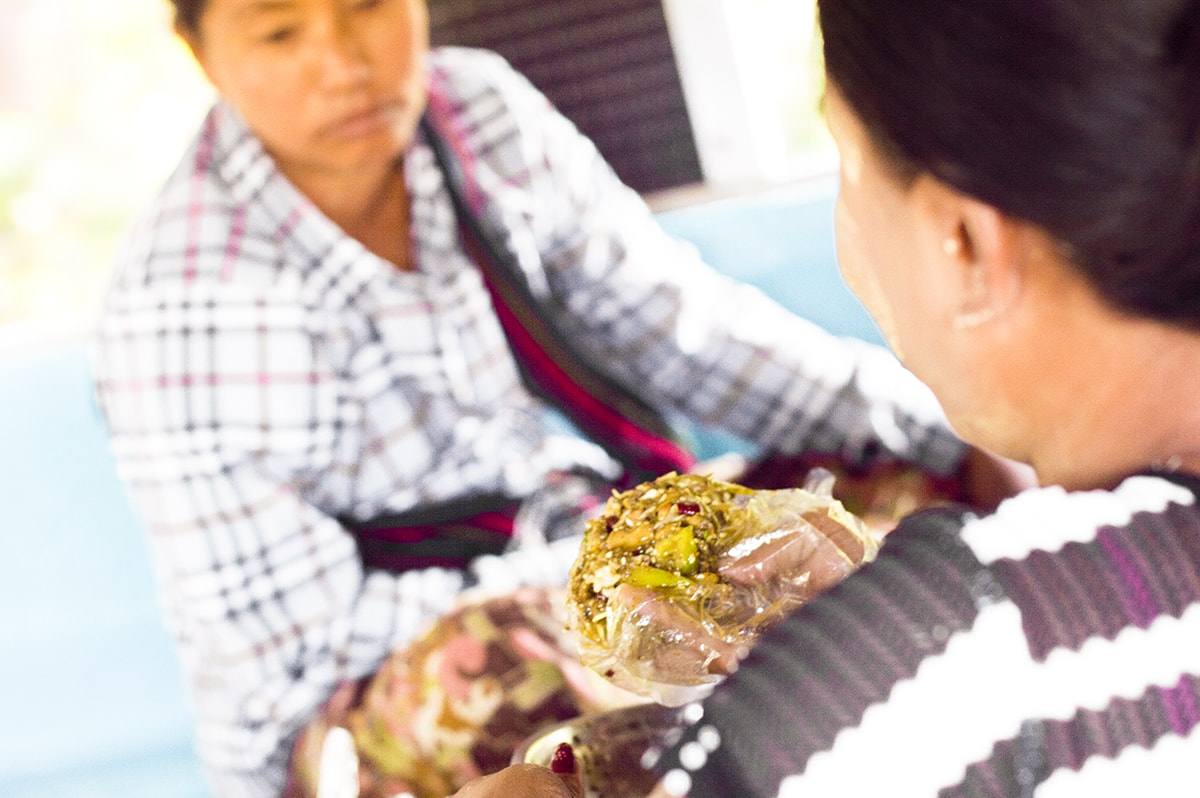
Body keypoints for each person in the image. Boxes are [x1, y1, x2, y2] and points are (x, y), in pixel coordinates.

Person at [91, 0, 1012, 795]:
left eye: (368, 6)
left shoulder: (477, 113)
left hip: (597, 548)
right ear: (204, 55)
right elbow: (305, 650)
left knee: (899, 487)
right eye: (281, 33)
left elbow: (695, 336)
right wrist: (620, 586)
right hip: (385, 692)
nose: (344, 65)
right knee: (510, 667)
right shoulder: (179, 307)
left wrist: (958, 424)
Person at [452, 0, 1200, 795]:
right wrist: (877, 638)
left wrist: (874, 660)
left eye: (846, 163)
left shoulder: (979, 638)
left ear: (963, 244)